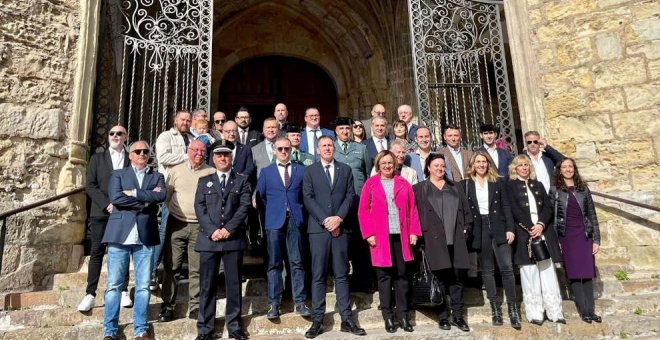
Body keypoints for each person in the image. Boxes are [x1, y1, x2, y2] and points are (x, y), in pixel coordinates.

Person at [302, 136, 366, 339]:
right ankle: (318, 320)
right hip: (319, 231)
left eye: (330, 145)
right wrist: (326, 220)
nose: (328, 148)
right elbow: (308, 198)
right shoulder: (310, 171)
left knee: (341, 274)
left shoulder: (345, 170)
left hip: (341, 229)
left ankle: (347, 319)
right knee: (318, 275)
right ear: (318, 150)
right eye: (324, 146)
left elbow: (350, 196)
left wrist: (338, 218)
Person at [101, 141, 166, 340]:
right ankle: (110, 331)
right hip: (120, 234)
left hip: (145, 235)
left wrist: (135, 194)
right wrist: (146, 201)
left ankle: (141, 329)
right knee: (113, 285)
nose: (142, 154)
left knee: (143, 285)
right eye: (138, 151)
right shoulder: (118, 175)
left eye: (146, 151)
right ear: (130, 154)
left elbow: (161, 196)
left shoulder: (157, 176)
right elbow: (116, 198)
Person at [194, 140, 251, 340]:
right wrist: (213, 231)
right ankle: (205, 329)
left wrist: (227, 229)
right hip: (209, 240)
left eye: (226, 154)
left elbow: (244, 207)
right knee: (207, 285)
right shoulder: (204, 180)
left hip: (232, 239)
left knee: (234, 284)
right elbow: (200, 209)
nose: (223, 158)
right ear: (214, 158)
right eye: (219, 155)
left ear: (231, 157)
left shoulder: (242, 181)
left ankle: (234, 326)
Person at [358, 150, 421, 333]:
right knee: (384, 277)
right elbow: (363, 211)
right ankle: (387, 316)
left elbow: (413, 209)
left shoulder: (403, 183)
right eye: (383, 163)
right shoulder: (370, 184)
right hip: (380, 237)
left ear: (395, 164)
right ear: (378, 165)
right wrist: (368, 234)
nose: (387, 166)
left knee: (402, 276)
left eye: (390, 163)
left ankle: (403, 315)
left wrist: (414, 232)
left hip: (401, 236)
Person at [412, 153, 471, 332]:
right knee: (439, 279)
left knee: (457, 280)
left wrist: (466, 229)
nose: (440, 168)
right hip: (432, 241)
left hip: (456, 240)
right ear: (428, 167)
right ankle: (443, 316)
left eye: (442, 166)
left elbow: (466, 212)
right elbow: (414, 215)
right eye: (436, 165)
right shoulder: (419, 189)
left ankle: (459, 316)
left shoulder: (456, 186)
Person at [461, 151, 521, 329]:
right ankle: (495, 308)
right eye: (478, 162)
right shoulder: (466, 184)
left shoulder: (498, 182)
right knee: (486, 269)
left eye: (484, 162)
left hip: (498, 225)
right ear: (473, 165)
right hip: (479, 228)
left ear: (488, 164)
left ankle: (512, 309)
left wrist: (510, 228)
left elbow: (506, 206)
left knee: (507, 268)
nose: (481, 165)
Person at [158, 140, 215, 322]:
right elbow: (167, 196)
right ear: (188, 151)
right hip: (177, 225)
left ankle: (195, 306)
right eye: (196, 150)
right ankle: (167, 306)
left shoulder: (211, 172)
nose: (199, 153)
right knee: (171, 267)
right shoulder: (176, 170)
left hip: (200, 226)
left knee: (196, 268)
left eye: (202, 150)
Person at [255, 137, 311, 320]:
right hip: (274, 222)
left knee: (297, 262)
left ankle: (300, 302)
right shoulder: (266, 172)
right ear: (274, 150)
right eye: (280, 149)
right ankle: (274, 304)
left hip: (295, 221)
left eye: (287, 149)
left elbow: (305, 196)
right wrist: (273, 212)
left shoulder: (301, 170)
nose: (284, 152)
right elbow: (261, 197)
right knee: (274, 264)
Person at [78, 126, 132, 312]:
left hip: (124, 212)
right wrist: (107, 204)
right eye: (112, 133)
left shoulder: (131, 158)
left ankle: (124, 290)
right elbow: (90, 186)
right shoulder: (97, 158)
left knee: (123, 250)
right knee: (97, 252)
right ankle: (90, 293)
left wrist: (122, 203)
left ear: (125, 137)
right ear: (108, 137)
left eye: (119, 133)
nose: (115, 136)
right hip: (101, 212)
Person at [506, 154, 565, 326]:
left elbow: (547, 207)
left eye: (526, 165)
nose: (524, 167)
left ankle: (555, 312)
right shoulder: (510, 186)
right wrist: (530, 227)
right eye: (520, 165)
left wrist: (540, 224)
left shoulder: (537, 184)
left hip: (543, 231)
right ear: (515, 168)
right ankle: (535, 313)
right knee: (529, 273)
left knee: (547, 271)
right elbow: (512, 208)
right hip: (524, 233)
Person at [551, 158, 602, 324]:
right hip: (567, 237)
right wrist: (556, 239)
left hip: (584, 235)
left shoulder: (583, 188)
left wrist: (596, 239)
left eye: (570, 166)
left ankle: (591, 311)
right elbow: (551, 217)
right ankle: (584, 311)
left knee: (587, 274)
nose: (568, 169)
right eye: (564, 167)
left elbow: (592, 214)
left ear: (574, 169)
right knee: (574, 274)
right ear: (560, 170)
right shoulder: (555, 190)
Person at [153, 110, 194, 290]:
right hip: (171, 189)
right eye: (182, 119)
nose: (185, 122)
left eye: (188, 120)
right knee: (165, 229)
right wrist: (188, 156)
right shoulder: (166, 136)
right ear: (175, 120)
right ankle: (152, 273)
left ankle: (178, 269)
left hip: (189, 190)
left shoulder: (192, 139)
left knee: (185, 229)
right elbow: (163, 157)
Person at [333, 116, 373, 293]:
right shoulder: (331, 148)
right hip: (339, 205)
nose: (345, 132)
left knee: (361, 243)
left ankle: (363, 280)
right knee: (342, 243)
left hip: (359, 203)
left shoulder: (361, 148)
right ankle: (341, 280)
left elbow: (367, 173)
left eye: (347, 129)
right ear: (336, 131)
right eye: (341, 129)